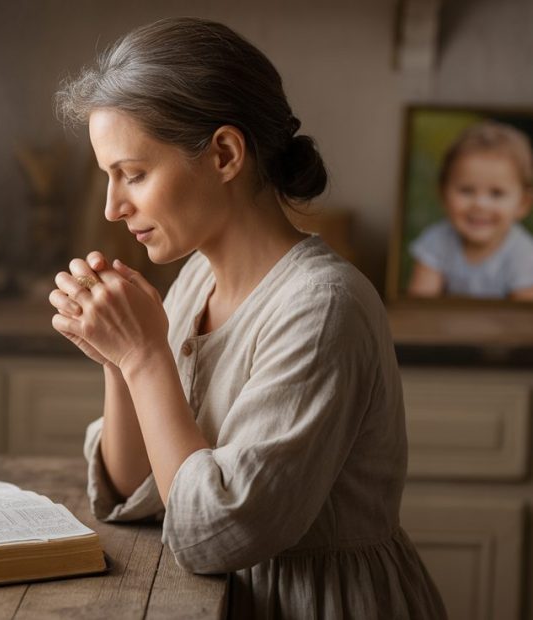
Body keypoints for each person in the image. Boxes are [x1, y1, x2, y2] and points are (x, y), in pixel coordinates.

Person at [49, 17, 446, 619]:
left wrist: (143, 355)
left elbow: (214, 536)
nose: (112, 207)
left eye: (133, 174)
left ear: (225, 155)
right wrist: (118, 361)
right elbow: (138, 494)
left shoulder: (321, 306)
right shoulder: (196, 281)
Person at [407, 121, 533, 300]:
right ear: (443, 194)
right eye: (466, 190)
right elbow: (418, 309)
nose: (480, 204)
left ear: (523, 204)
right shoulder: (437, 242)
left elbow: (524, 321)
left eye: (496, 193)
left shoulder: (524, 256)